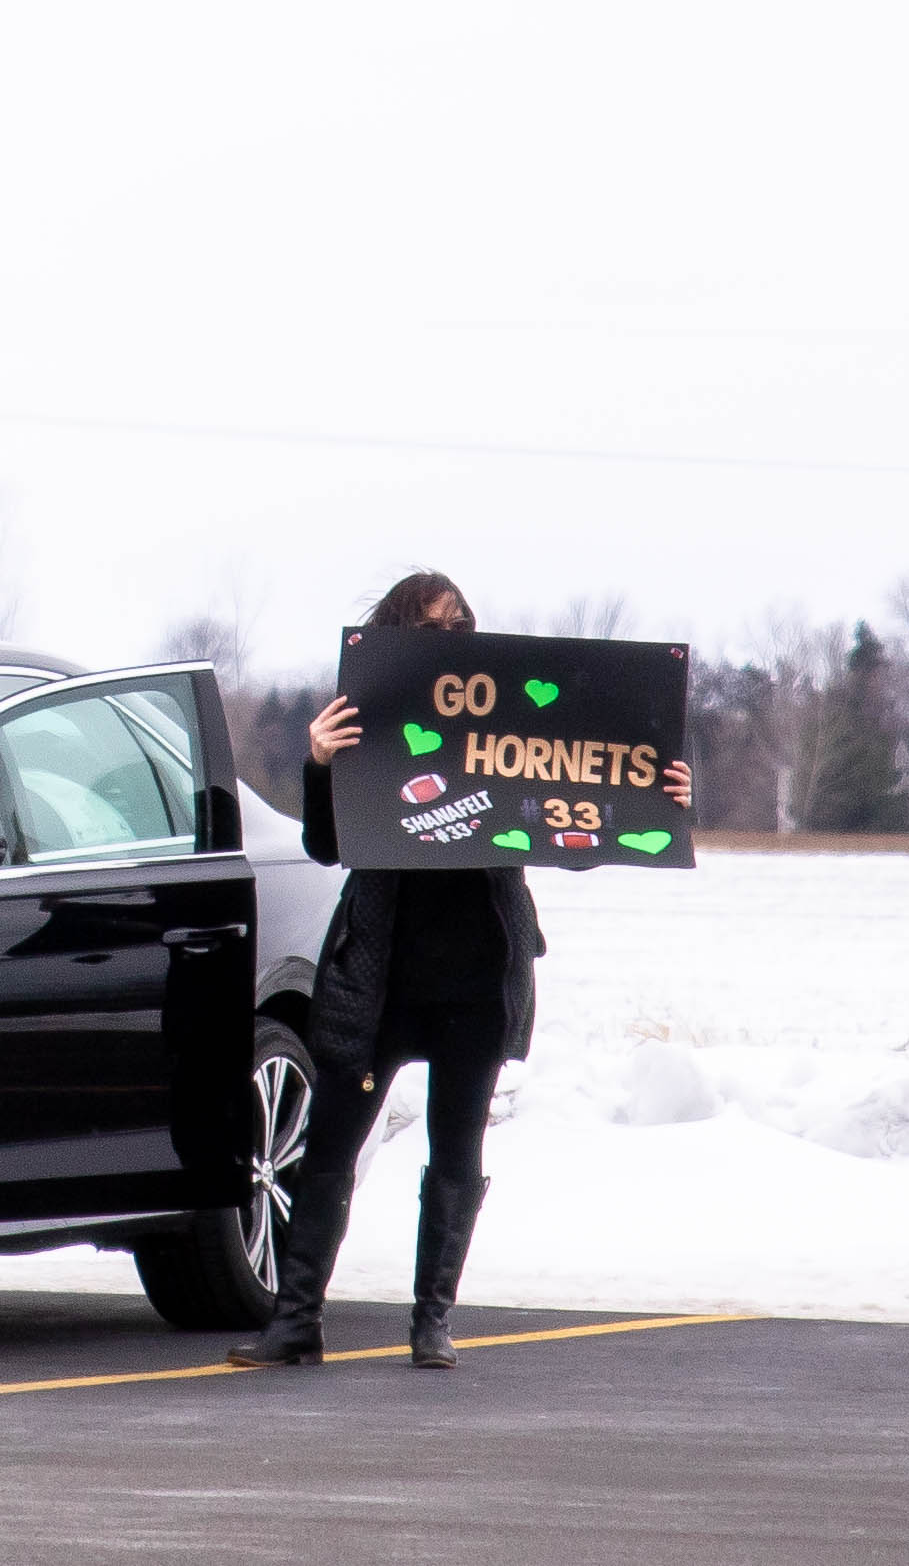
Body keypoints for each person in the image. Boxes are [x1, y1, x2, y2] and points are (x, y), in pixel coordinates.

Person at [233, 570, 692, 1370]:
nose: (450, 639)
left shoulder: (508, 721)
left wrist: (658, 797)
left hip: (478, 977)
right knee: (333, 1141)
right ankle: (295, 1319)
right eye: (432, 628)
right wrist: (317, 763)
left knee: (455, 1150)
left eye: (460, 625)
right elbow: (327, 845)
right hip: (378, 975)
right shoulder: (367, 719)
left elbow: (570, 824)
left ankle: (431, 1321)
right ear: (399, 633)